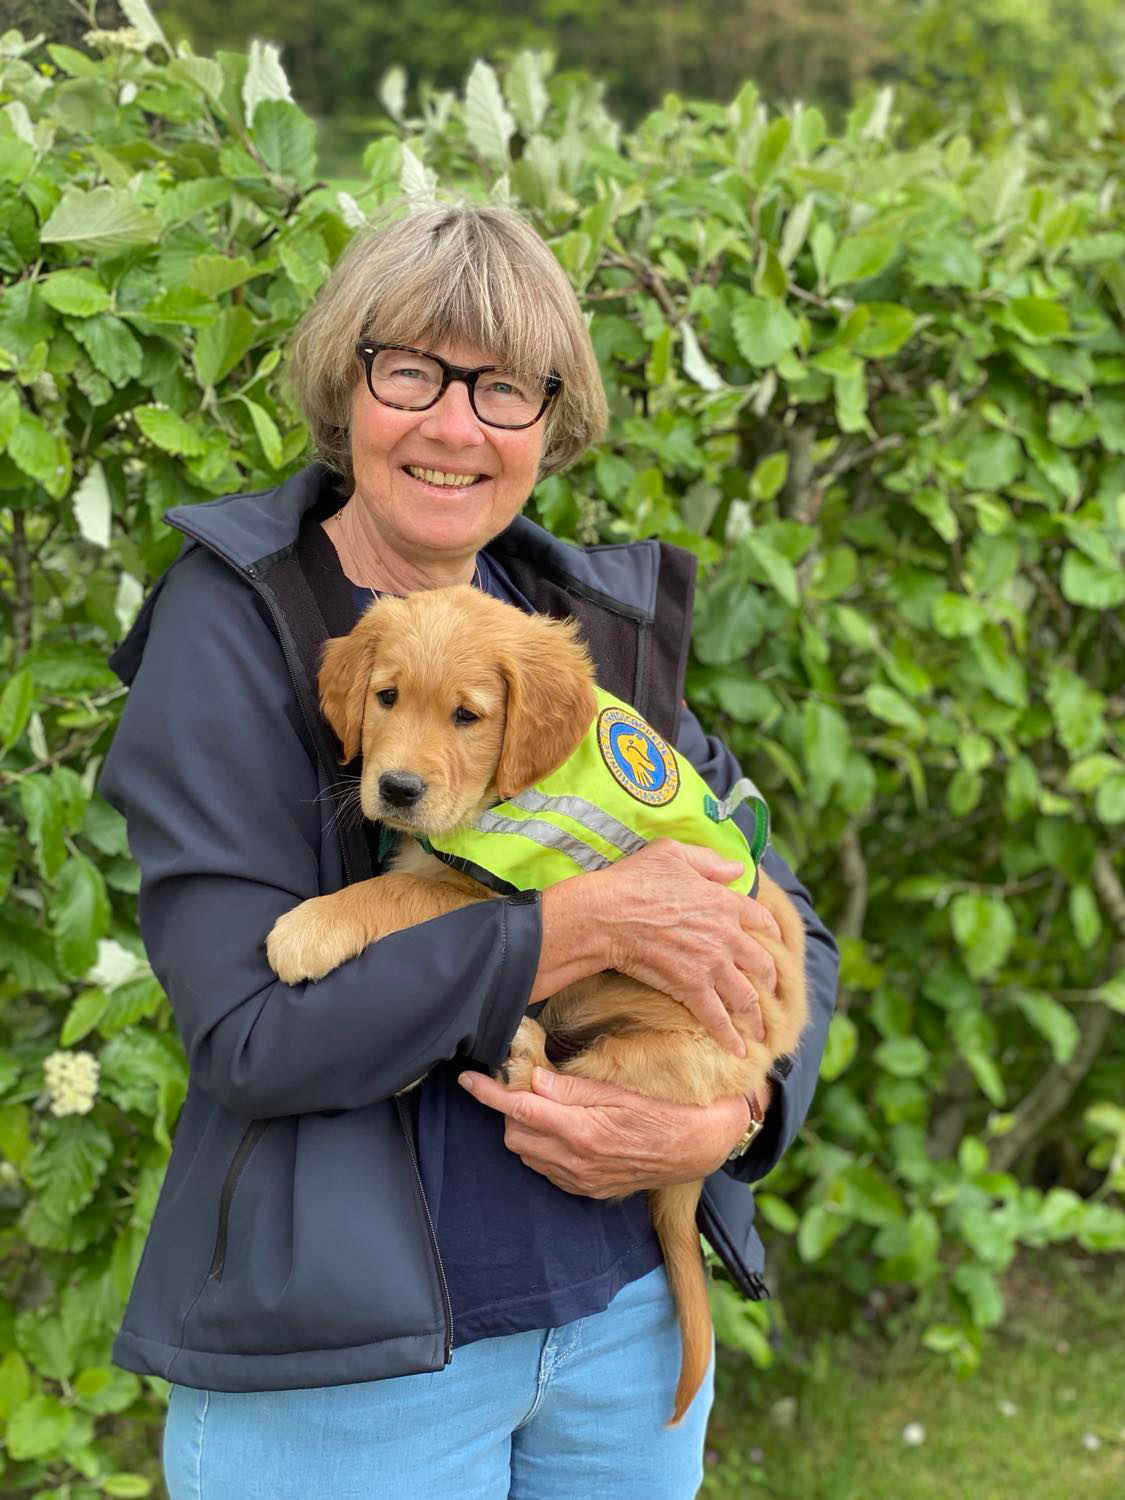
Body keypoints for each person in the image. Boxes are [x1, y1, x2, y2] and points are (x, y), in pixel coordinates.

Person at [100, 203, 838, 1499]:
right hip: (351, 1369)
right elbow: (249, 1038)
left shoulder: (574, 628)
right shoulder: (235, 624)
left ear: (551, 423)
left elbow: (781, 913)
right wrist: (571, 930)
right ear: (343, 384)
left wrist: (729, 1120)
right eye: (411, 373)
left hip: (620, 1321)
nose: (455, 427)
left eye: (505, 389)